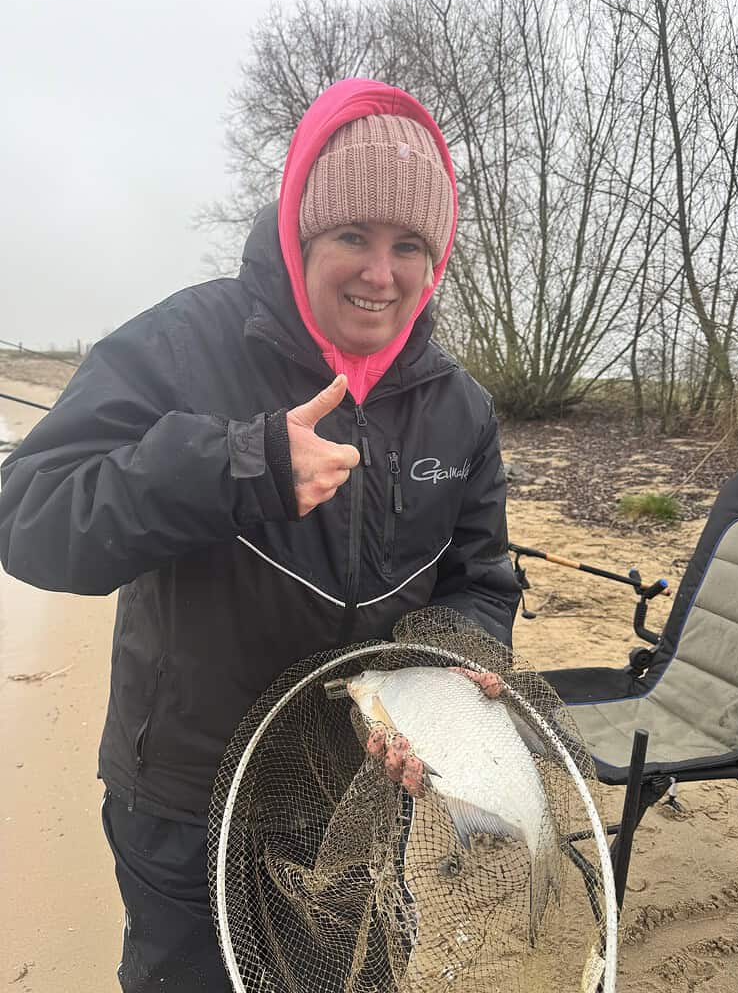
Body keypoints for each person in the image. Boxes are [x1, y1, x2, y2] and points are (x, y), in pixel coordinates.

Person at [0, 78, 519, 990]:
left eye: (408, 246)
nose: (379, 272)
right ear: (299, 232)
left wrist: (446, 664)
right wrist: (237, 465)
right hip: (188, 800)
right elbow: (32, 516)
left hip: (356, 805)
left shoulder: (460, 408)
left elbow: (481, 582)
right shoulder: (177, 346)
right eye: (352, 236)